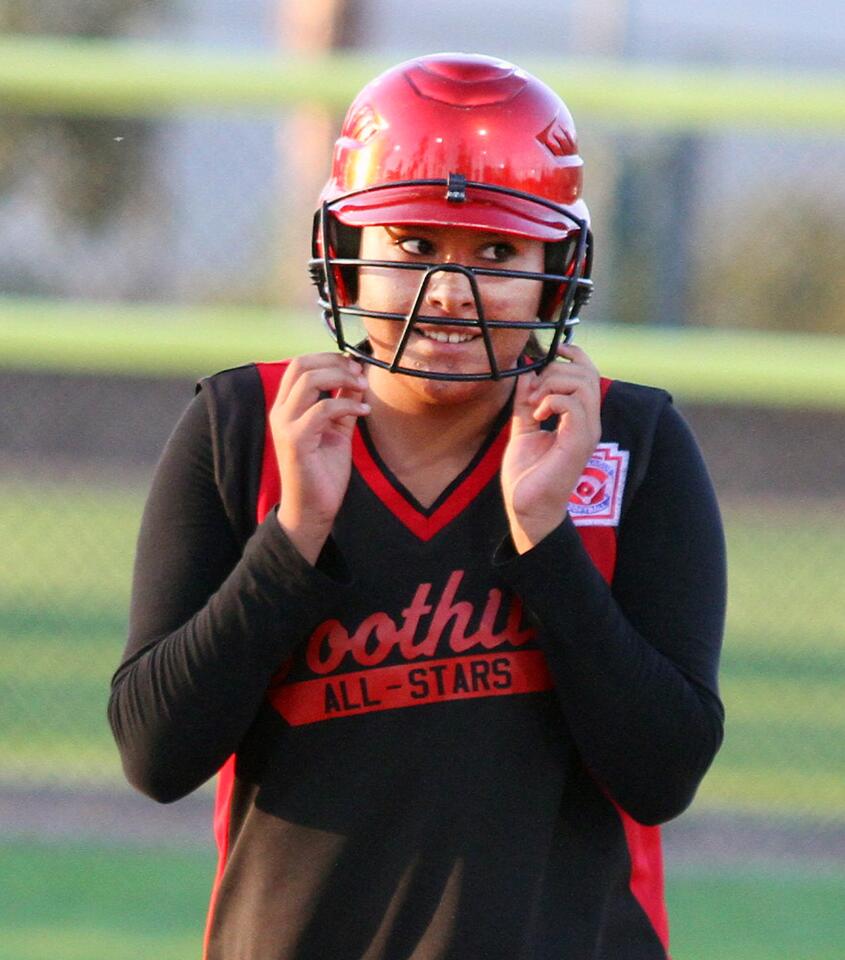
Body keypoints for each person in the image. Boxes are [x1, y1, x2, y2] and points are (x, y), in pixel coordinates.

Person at [109, 53, 726, 960]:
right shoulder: (243, 429)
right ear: (346, 253)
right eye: (412, 245)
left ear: (558, 268)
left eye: (497, 252)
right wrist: (291, 543)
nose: (451, 292)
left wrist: (545, 537)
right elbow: (155, 757)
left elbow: (662, 773)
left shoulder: (630, 443)